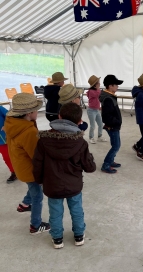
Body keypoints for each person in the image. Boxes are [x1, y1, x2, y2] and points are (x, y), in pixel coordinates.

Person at [32, 103, 96, 249]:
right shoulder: (80, 142)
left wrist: (40, 180)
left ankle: (57, 239)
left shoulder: (43, 140)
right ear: (80, 121)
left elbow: (37, 164)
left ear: (59, 116)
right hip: (74, 185)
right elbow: (90, 167)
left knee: (55, 213)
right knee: (77, 210)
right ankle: (79, 235)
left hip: (52, 185)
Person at [4, 93, 50, 234]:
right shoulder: (28, 131)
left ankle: (24, 204)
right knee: (38, 196)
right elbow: (36, 156)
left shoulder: (12, 122)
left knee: (32, 189)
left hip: (20, 166)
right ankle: (35, 225)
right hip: (30, 171)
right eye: (36, 109)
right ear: (29, 113)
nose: (38, 111)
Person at [100, 75, 123, 174]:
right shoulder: (108, 99)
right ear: (110, 86)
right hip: (112, 126)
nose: (117, 87)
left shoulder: (110, 97)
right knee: (115, 146)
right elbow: (106, 116)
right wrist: (117, 122)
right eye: (116, 85)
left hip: (114, 126)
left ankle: (111, 160)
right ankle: (106, 165)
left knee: (117, 145)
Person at [86, 75, 107, 143]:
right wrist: (100, 90)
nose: (100, 84)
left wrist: (98, 107)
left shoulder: (97, 90)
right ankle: (91, 138)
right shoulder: (91, 91)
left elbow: (97, 99)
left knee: (100, 123)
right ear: (95, 85)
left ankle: (100, 136)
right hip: (91, 111)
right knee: (93, 125)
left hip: (96, 110)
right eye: (98, 83)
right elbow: (98, 95)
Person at [0, 106, 17, 183]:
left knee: (15, 155)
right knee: (6, 158)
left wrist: (6, 125)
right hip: (1, 142)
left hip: (7, 137)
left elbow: (10, 115)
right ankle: (14, 172)